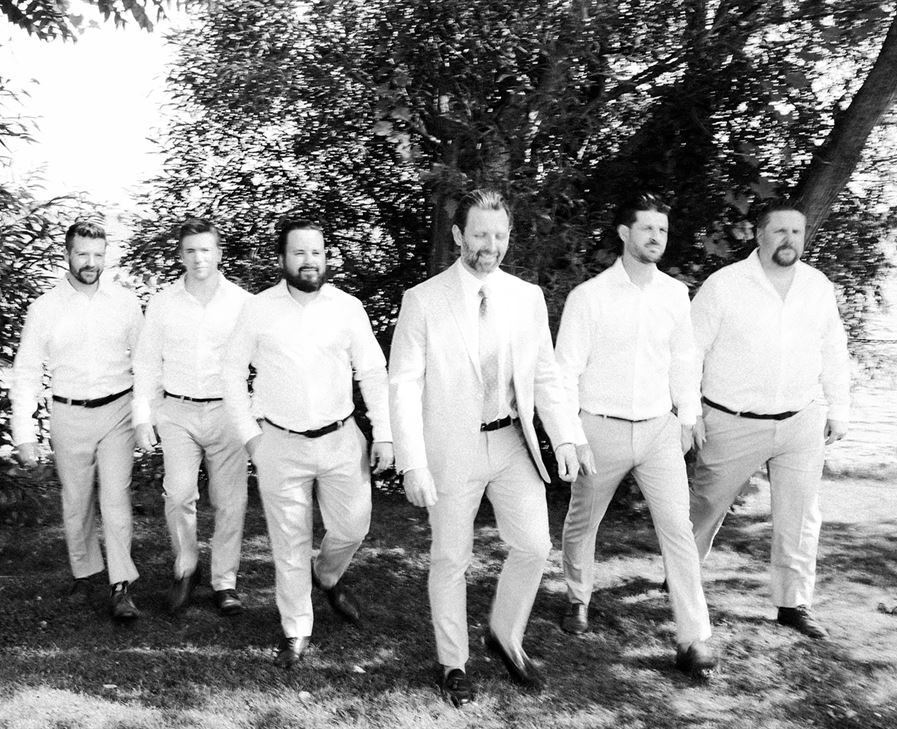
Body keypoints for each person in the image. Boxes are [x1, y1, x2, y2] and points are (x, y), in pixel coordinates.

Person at [389, 189, 581, 707]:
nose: (490, 245)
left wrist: (565, 434)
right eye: (479, 234)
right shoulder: (423, 300)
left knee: (535, 545)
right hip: (452, 448)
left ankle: (505, 634)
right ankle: (453, 662)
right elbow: (403, 385)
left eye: (499, 235)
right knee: (451, 557)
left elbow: (545, 373)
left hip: (513, 441)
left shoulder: (526, 297)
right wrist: (412, 463)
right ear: (459, 235)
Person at [554, 192, 717, 675]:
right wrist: (572, 435)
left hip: (658, 430)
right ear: (625, 233)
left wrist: (687, 416)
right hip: (599, 429)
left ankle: (694, 638)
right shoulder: (589, 296)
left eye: (662, 230)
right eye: (647, 228)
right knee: (582, 522)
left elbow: (684, 359)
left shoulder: (675, 294)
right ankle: (578, 596)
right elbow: (565, 372)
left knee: (679, 530)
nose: (656, 237)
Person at [221, 218, 393, 669]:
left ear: (325, 257)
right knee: (290, 543)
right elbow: (231, 373)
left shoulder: (347, 308)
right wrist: (251, 438)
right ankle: (296, 628)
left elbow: (372, 371)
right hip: (279, 443)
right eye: (298, 252)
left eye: (316, 252)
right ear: (282, 259)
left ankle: (328, 575)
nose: (309, 260)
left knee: (353, 527)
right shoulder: (258, 309)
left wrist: (385, 432)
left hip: (341, 439)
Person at [689, 199, 850, 640]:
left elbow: (833, 349)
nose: (789, 239)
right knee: (706, 506)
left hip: (801, 419)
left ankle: (793, 604)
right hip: (732, 420)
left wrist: (839, 408)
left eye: (796, 232)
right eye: (779, 231)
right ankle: (683, 575)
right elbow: (690, 350)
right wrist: (688, 411)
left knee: (800, 516)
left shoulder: (816, 286)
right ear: (759, 235)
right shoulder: (724, 285)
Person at [11, 220, 143, 620]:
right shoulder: (45, 307)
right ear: (67, 254)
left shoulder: (125, 302)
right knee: (76, 499)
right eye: (83, 254)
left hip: (118, 410)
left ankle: (121, 585)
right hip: (68, 413)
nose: (91, 262)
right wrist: (23, 434)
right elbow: (26, 371)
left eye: (98, 255)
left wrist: (145, 416)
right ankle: (85, 573)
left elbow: (145, 363)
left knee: (116, 498)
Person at [133, 218, 252, 616]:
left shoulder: (242, 303)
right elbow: (147, 362)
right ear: (181, 256)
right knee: (179, 493)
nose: (199, 258)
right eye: (190, 251)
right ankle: (186, 568)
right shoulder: (163, 303)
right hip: (178, 411)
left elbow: (264, 360)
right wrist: (143, 416)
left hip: (228, 411)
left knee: (230, 500)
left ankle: (225, 581)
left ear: (219, 253)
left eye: (205, 250)